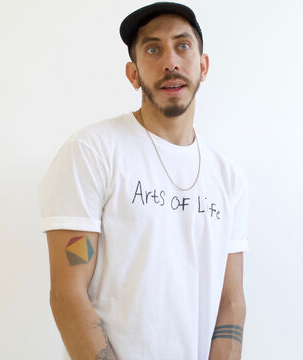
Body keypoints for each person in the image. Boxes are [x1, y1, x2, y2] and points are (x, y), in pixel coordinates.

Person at [38, 2, 249, 359]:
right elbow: (68, 293)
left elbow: (231, 302)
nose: (170, 62)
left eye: (182, 46)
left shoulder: (228, 177)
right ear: (133, 73)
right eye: (153, 49)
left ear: (203, 65)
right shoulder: (91, 151)